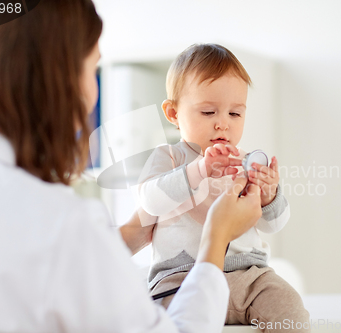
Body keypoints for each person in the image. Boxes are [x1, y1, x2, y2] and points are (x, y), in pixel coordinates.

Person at [0, 2, 263, 332]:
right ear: (56, 81)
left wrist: (129, 234)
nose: (93, 93)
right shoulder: (64, 222)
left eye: (235, 113)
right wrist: (217, 237)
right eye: (92, 70)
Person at [131, 44, 310, 332]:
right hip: (180, 279)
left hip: (249, 276)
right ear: (173, 113)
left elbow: (274, 225)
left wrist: (269, 196)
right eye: (209, 112)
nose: (223, 125)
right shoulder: (169, 157)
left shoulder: (246, 161)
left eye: (235, 114)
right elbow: (150, 202)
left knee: (292, 311)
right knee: (164, 319)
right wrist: (198, 171)